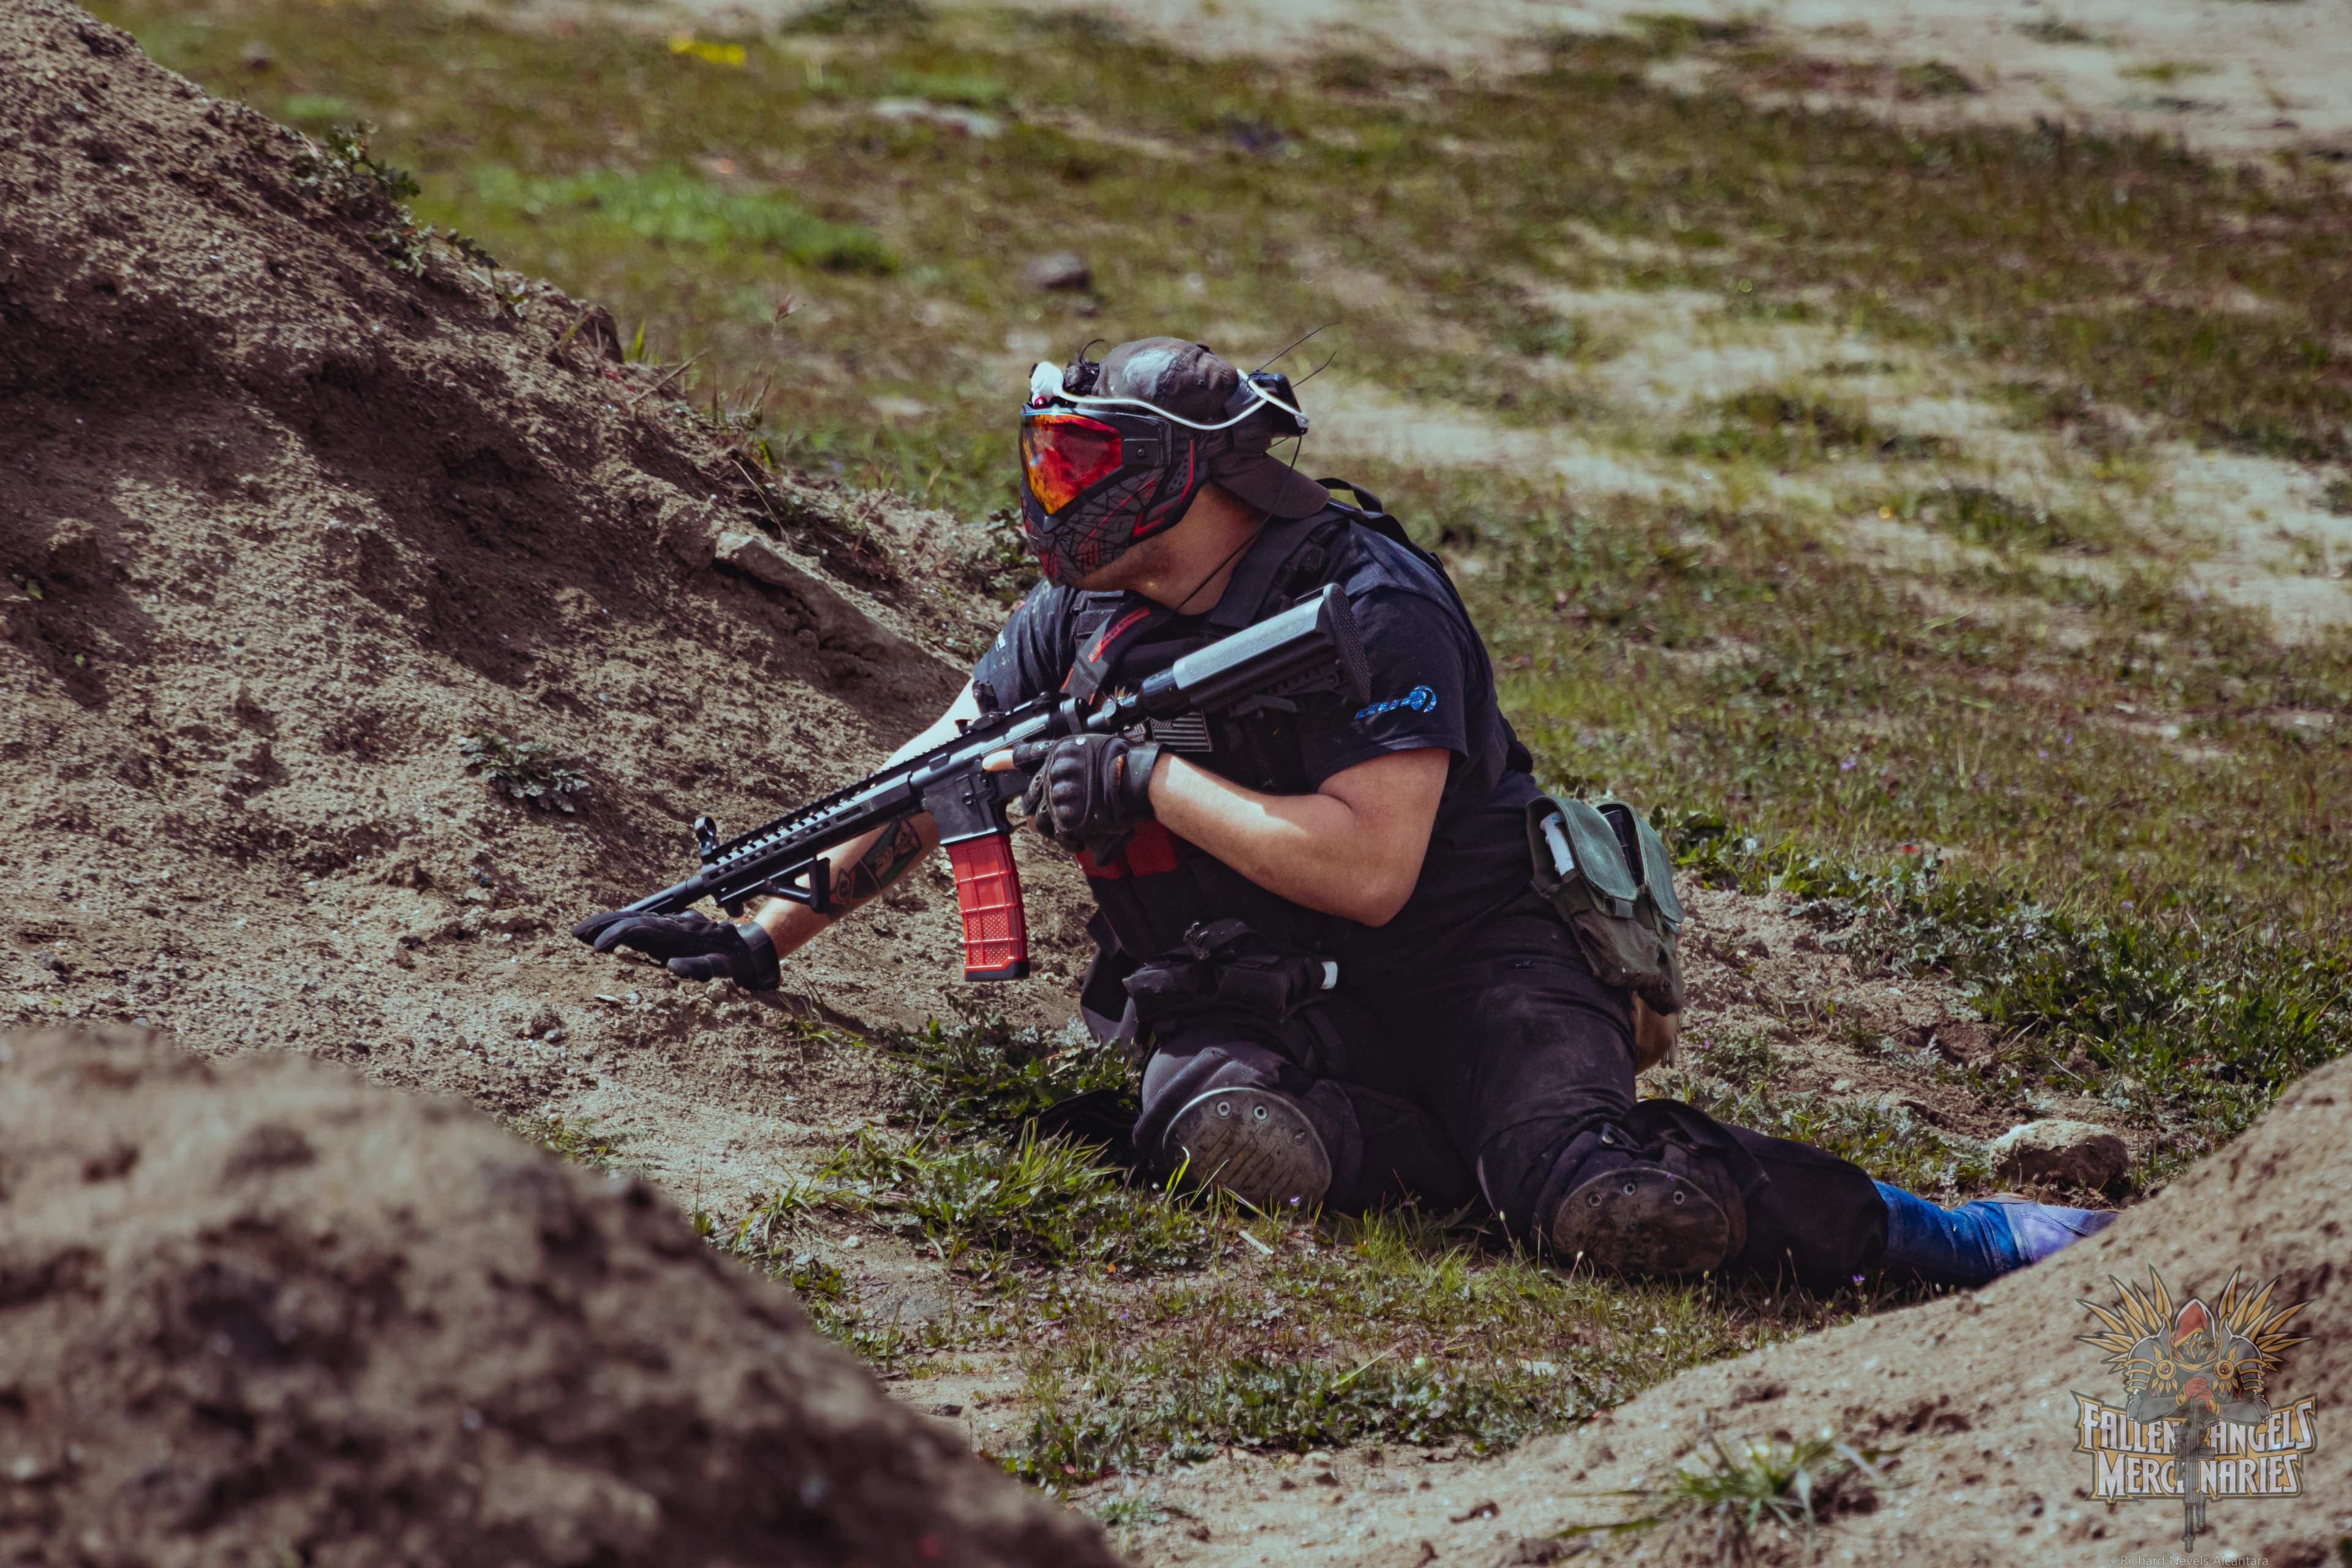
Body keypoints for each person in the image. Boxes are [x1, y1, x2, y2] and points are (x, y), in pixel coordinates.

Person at [578, 337, 2114, 1292]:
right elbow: (933, 775)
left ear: (1191, 478)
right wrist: (760, 931)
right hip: (1242, 992)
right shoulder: (1077, 621)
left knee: (1615, 1203)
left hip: (1473, 960)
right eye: (1048, 462)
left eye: (1085, 466)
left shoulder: (1370, 604)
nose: (1055, 497)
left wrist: (1149, 780)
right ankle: (1493, 1155)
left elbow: (1374, 870)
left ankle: (1941, 1230)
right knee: (1241, 1145)